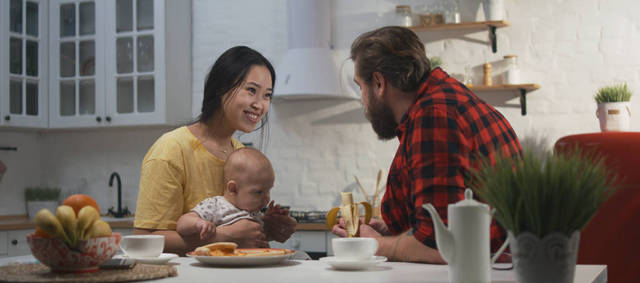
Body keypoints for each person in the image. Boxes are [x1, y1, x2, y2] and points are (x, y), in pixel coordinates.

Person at [332, 26, 522, 263]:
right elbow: (439, 225)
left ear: (379, 83)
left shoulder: (434, 117)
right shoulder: (444, 101)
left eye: (360, 86)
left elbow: (443, 246)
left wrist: (376, 244)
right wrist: (389, 233)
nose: (362, 100)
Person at [134, 46, 296, 256]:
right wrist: (222, 237)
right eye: (251, 90)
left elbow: (235, 226)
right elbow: (143, 239)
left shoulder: (239, 153)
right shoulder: (172, 149)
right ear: (221, 88)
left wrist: (267, 229)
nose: (260, 105)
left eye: (267, 95)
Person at [177, 148, 275, 242]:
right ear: (233, 189)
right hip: (224, 258)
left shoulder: (256, 213)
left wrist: (271, 222)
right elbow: (182, 223)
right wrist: (199, 223)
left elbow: (261, 237)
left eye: (268, 190)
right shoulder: (216, 206)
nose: (267, 198)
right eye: (259, 192)